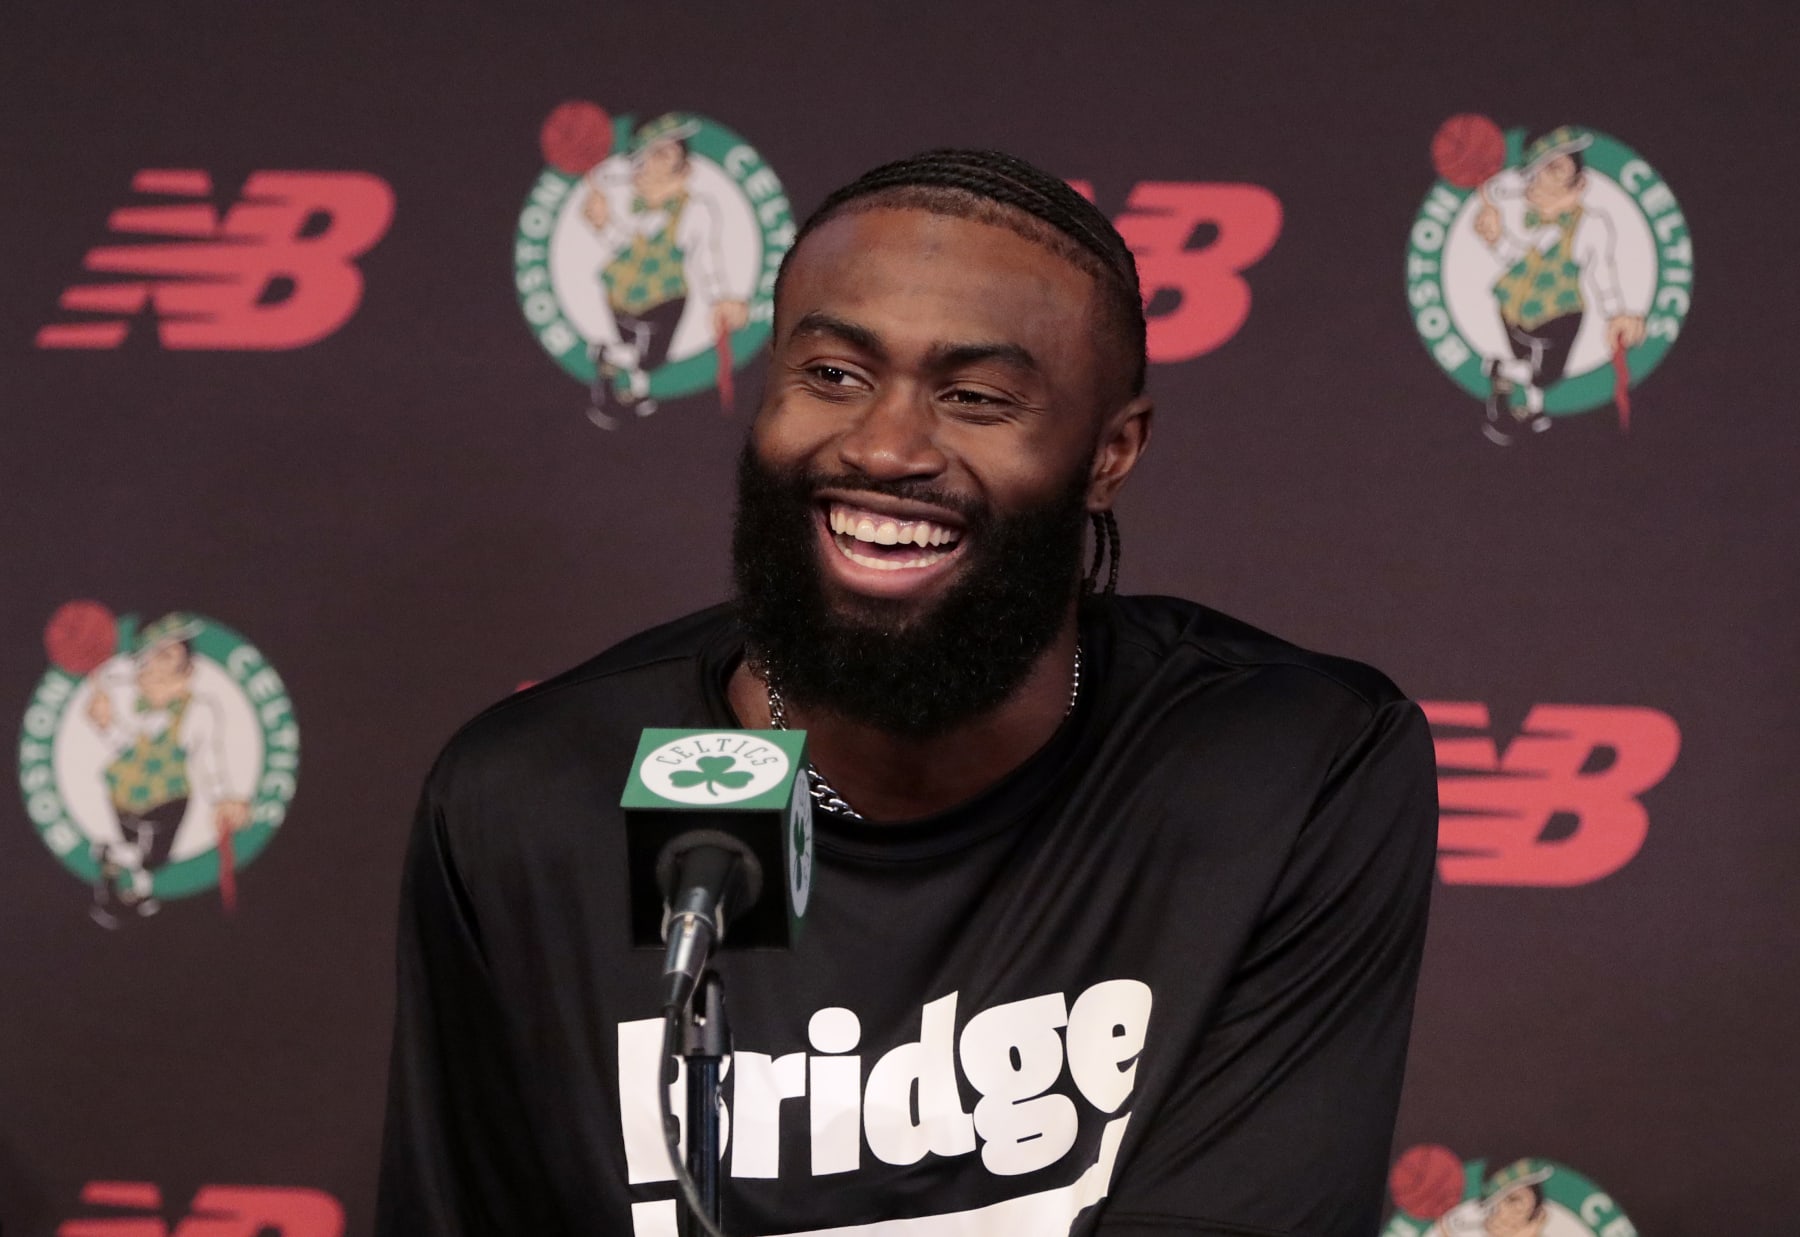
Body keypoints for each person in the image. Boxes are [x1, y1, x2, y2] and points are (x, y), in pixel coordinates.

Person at [378, 149, 1438, 1236]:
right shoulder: (535, 797)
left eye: (975, 397)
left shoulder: (1289, 768)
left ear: (1110, 454)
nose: (885, 447)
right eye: (834, 375)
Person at [1472, 126, 1647, 443]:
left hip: (1556, 315)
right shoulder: (1529, 220)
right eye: (1534, 173)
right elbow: (1517, 257)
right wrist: (1496, 238)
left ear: (1580, 183)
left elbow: (1601, 271)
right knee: (1536, 370)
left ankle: (1505, 375)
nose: (1541, 180)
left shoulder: (1591, 224)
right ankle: (1523, 395)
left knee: (1546, 374)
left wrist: (1616, 313)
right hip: (1511, 308)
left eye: (1555, 169)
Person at [580, 113, 752, 427]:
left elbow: (706, 257)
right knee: (639, 356)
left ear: (684, 167)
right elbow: (624, 244)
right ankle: (622, 379)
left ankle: (616, 367)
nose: (651, 166)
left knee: (651, 358)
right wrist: (603, 223)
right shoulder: (634, 206)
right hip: (620, 293)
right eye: (646, 157)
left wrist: (720, 298)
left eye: (664, 154)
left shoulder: (696, 209)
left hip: (664, 297)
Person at [82, 613, 250, 927]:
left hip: (167, 798)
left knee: (154, 858)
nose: (154, 668)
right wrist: (106, 724)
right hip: (123, 794)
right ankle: (127, 884)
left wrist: (222, 798)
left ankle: (118, 864)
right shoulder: (133, 703)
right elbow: (127, 745)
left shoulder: (199, 709)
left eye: (167, 656)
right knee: (140, 856)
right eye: (147, 660)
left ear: (188, 668)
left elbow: (208, 758)